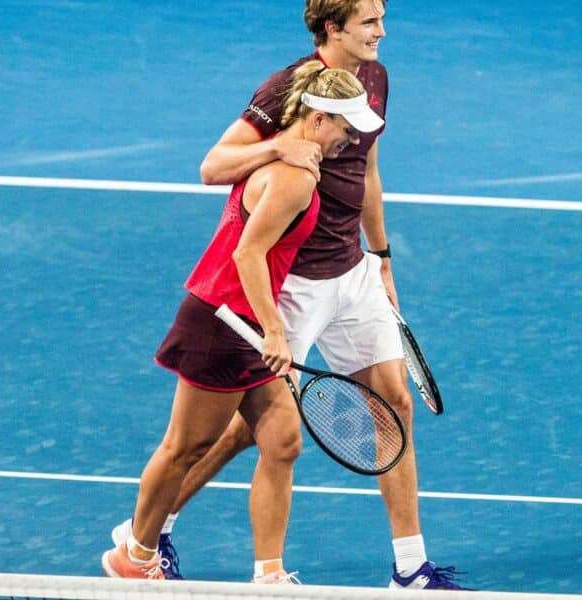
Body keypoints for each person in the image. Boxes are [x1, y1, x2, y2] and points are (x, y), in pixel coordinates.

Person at [112, 0, 470, 589]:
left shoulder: (373, 78)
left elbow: (368, 172)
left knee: (393, 404)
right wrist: (277, 147)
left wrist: (379, 257)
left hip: (351, 274)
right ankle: (151, 530)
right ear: (332, 28)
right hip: (292, 284)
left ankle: (412, 569)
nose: (383, 32)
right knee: (248, 427)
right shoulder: (286, 90)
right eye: (370, 22)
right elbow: (213, 165)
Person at [101, 60, 384, 582]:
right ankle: (134, 556)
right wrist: (276, 331)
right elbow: (248, 256)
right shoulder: (294, 179)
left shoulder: (295, 161)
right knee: (185, 446)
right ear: (318, 120)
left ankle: (270, 577)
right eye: (345, 127)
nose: (351, 139)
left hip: (246, 324)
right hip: (223, 324)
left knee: (282, 439)